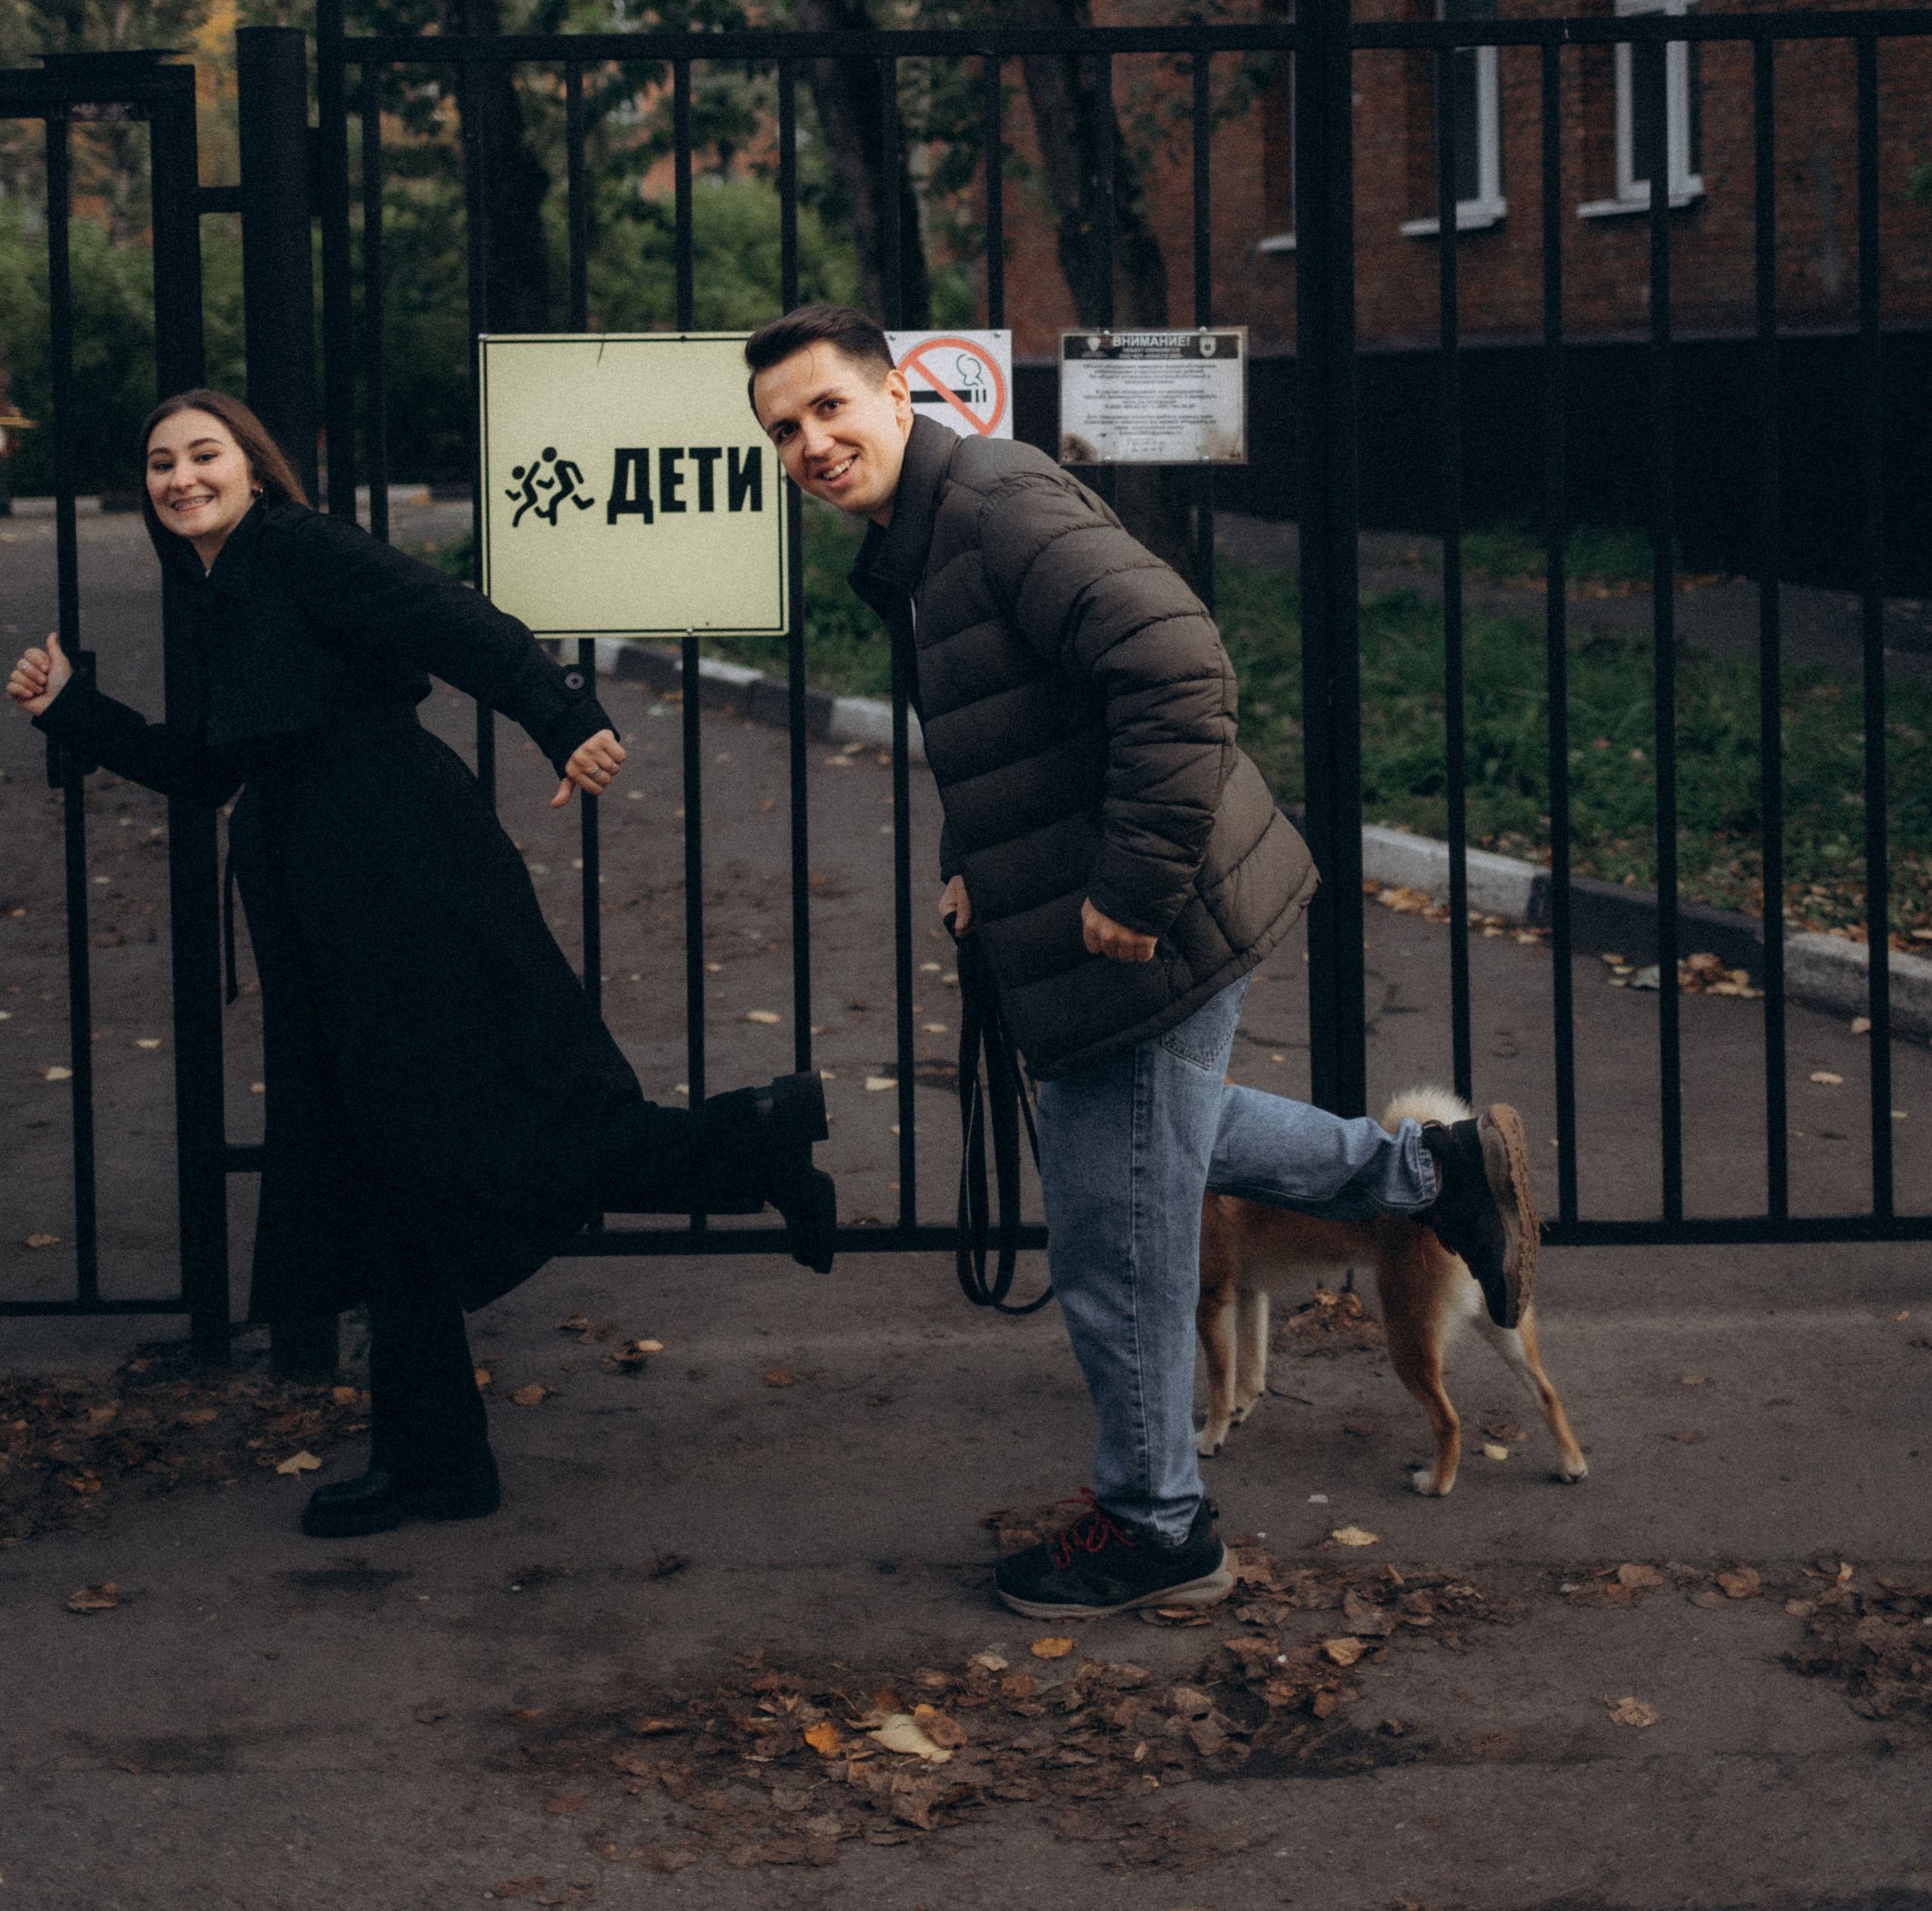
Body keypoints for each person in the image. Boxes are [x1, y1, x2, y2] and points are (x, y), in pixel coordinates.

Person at [745, 304, 1537, 1623]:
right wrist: (971, 859)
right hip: (1099, 927)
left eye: (829, 407)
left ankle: (1159, 1523)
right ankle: (1433, 1173)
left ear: (895, 397)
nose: (811, 444)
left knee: (1115, 1232)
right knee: (1154, 1149)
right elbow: (1012, 722)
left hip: (1149, 927)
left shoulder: (994, 506)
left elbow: (1176, 668)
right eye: (784, 430)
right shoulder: (927, 537)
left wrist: (1132, 886)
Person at [7, 390, 835, 1541]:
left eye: (204, 454)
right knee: (386, 1160)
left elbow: (451, 618)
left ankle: (747, 1143)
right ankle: (442, 1454)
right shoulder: (213, 588)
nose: (182, 477)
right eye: (160, 463)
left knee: (477, 1131)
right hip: (319, 889)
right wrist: (74, 710)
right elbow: (206, 770)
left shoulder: (300, 547)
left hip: (397, 866)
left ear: (255, 466)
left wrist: (562, 716)